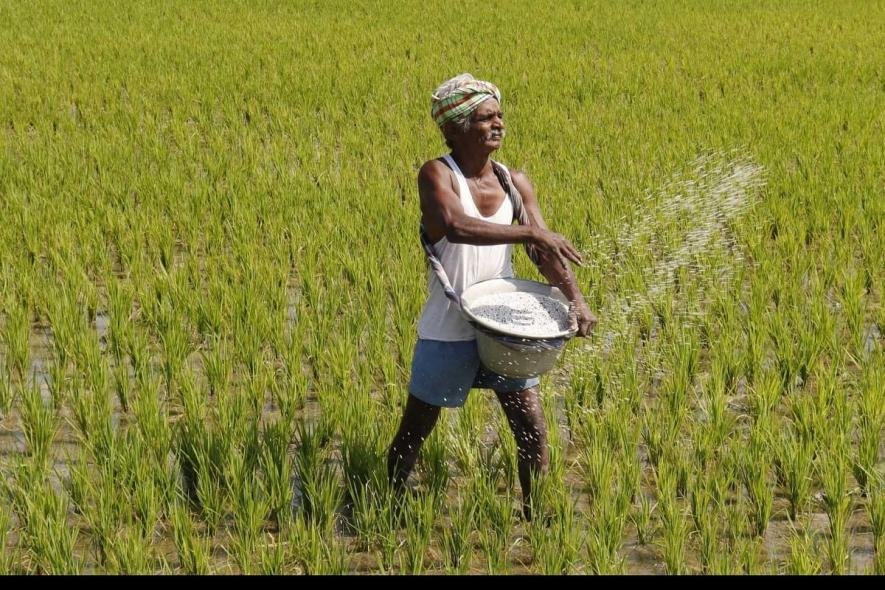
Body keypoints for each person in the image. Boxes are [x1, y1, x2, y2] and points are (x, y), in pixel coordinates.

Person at [386, 73, 596, 519]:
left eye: (499, 115)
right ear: (454, 128)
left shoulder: (514, 182)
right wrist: (531, 232)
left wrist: (576, 299)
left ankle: (537, 520)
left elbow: (543, 252)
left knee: (531, 428)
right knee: (415, 430)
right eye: (485, 118)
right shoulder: (437, 174)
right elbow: (455, 226)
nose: (498, 124)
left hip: (504, 324)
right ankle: (386, 510)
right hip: (448, 327)